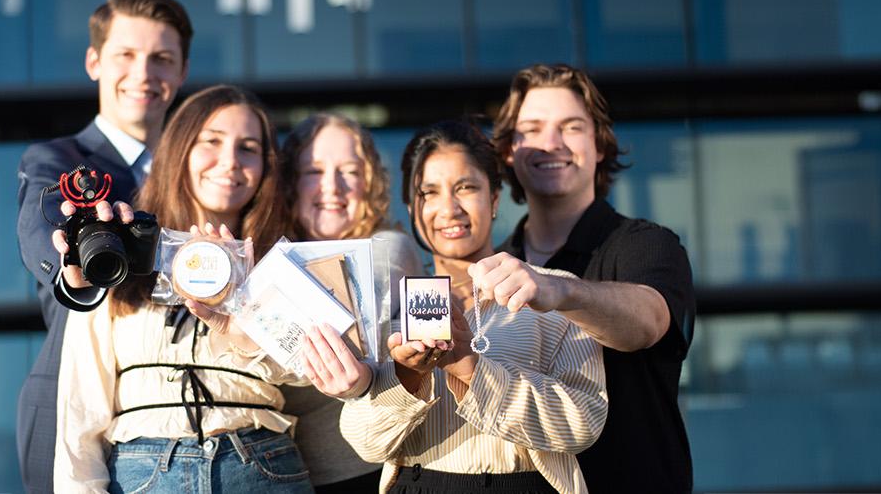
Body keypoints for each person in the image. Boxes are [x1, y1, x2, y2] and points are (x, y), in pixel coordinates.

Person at [51, 85, 313, 493]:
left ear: (266, 166)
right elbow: (81, 397)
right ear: (179, 149)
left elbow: (303, 369)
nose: (229, 161)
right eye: (211, 141)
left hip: (258, 461)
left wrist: (240, 309)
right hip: (145, 469)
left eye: (248, 148)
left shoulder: (280, 259)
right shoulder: (120, 245)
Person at [334, 120, 607, 493]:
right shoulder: (388, 304)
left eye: (465, 187)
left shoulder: (553, 292)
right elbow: (365, 443)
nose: (449, 209)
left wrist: (470, 367)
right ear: (413, 209)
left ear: (494, 199)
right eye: (429, 192)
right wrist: (408, 376)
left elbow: (584, 422)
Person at [471, 64, 698, 492]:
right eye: (532, 129)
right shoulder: (496, 265)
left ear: (599, 146)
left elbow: (646, 322)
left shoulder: (647, 245)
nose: (551, 143)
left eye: (571, 127)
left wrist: (558, 288)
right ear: (507, 151)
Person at [12, 0, 190, 493]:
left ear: (180, 73)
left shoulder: (200, 172)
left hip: (183, 421)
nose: (143, 74)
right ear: (94, 61)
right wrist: (76, 263)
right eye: (125, 56)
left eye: (161, 59)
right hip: (77, 408)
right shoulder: (55, 162)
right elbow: (43, 227)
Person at [270, 113, 426, 493]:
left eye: (350, 172)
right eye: (314, 172)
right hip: (286, 475)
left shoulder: (390, 248)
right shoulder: (274, 255)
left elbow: (360, 296)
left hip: (369, 475)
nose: (332, 187)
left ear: (370, 182)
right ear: (291, 184)